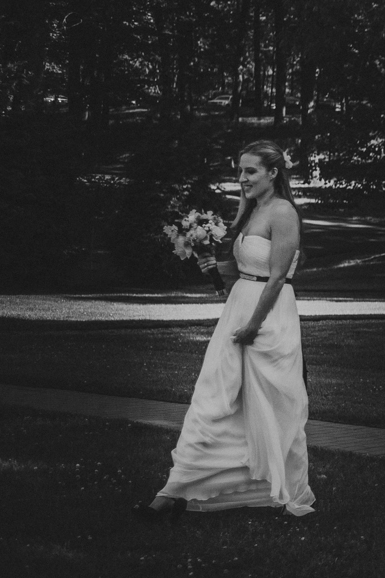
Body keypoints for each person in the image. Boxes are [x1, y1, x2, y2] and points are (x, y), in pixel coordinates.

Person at [133, 141, 315, 520]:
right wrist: (213, 272)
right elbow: (243, 280)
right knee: (214, 399)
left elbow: (278, 276)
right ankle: (175, 489)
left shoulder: (282, 213)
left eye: (250, 171)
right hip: (239, 310)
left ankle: (272, 489)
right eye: (239, 171)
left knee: (269, 406)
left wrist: (254, 324)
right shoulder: (250, 212)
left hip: (269, 318)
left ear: (272, 173)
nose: (242, 178)